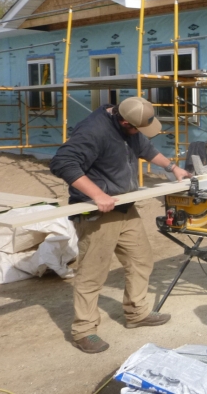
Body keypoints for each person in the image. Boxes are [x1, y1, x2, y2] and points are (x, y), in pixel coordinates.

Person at [50, 96, 192, 354]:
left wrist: (173, 168)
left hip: (125, 205)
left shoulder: (130, 125)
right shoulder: (93, 131)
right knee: (92, 272)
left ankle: (136, 313)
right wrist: (97, 195)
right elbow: (62, 163)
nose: (139, 133)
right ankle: (84, 330)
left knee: (141, 259)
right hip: (98, 212)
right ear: (124, 121)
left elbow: (145, 148)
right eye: (136, 128)